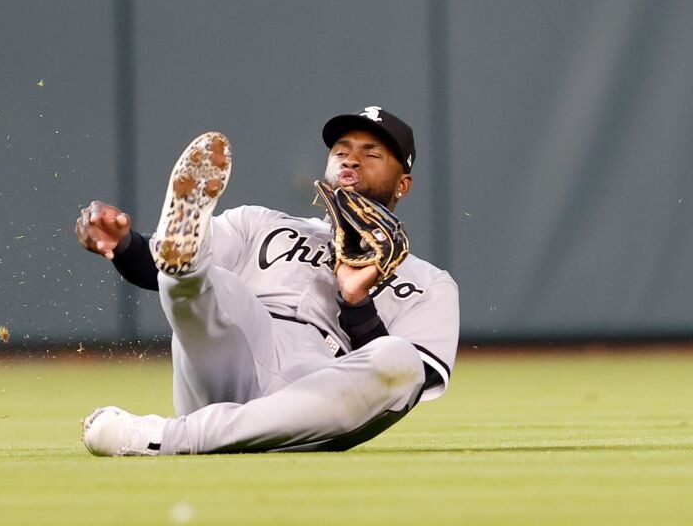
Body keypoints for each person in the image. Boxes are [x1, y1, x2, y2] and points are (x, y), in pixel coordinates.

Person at [75, 106, 459, 455]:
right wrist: (124, 244)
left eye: (371, 153)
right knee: (204, 276)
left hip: (318, 393)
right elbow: (153, 267)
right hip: (235, 356)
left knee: (401, 359)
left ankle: (173, 437)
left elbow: (399, 389)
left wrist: (356, 303)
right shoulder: (261, 223)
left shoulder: (430, 283)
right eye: (341, 151)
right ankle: (175, 436)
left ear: (403, 184)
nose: (351, 159)